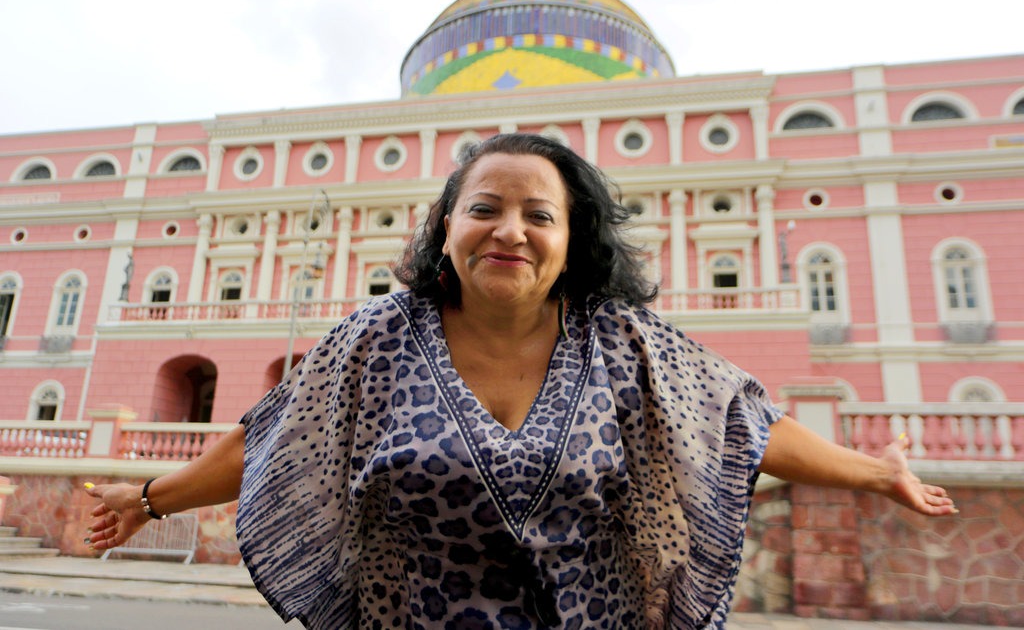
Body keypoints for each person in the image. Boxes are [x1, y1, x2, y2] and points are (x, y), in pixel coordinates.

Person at [85, 133, 956, 629]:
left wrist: (875, 472)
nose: (510, 231)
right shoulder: (376, 340)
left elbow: (742, 423)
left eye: (540, 214)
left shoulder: (624, 343)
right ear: (447, 228)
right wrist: (151, 499)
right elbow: (277, 438)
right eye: (484, 208)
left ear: (572, 241)